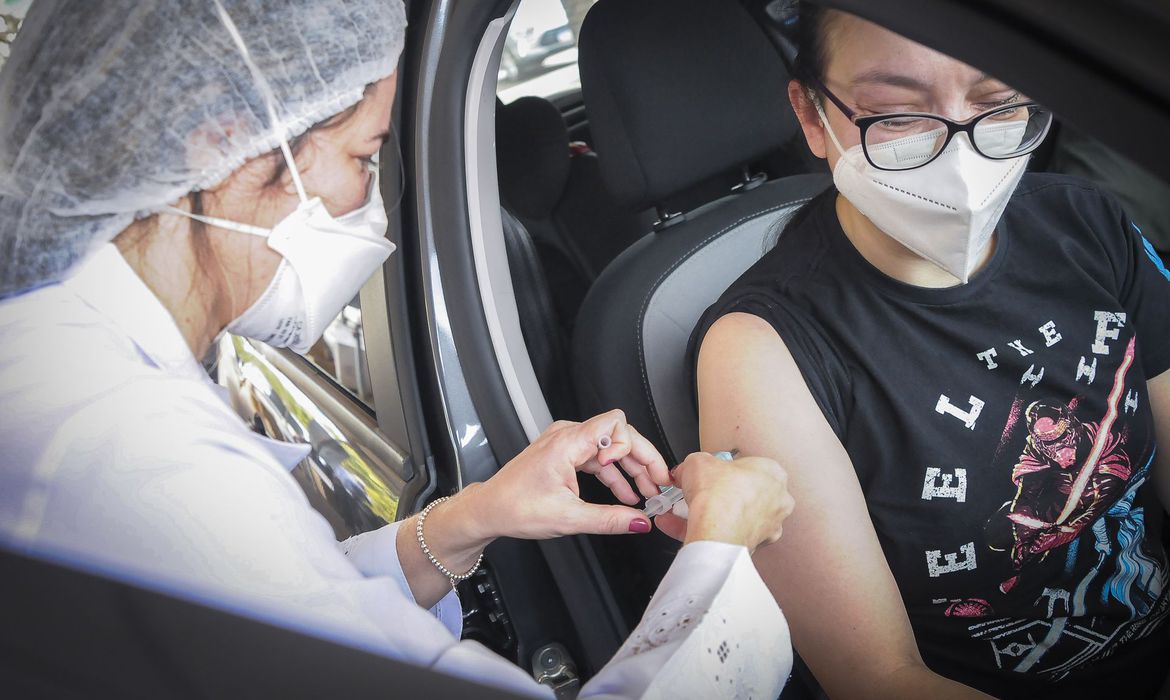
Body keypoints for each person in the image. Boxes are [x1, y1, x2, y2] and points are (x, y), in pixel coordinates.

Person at [0, 1, 796, 697]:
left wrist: (470, 517)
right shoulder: (136, 462)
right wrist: (722, 554)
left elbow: (296, 608)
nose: (371, 211)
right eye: (362, 158)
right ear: (232, 144)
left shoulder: (68, 362)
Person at [691, 4, 1170, 699]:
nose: (963, 154)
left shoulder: (1088, 224)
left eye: (999, 102)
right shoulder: (762, 349)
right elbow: (879, 676)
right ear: (809, 115)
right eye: (897, 114)